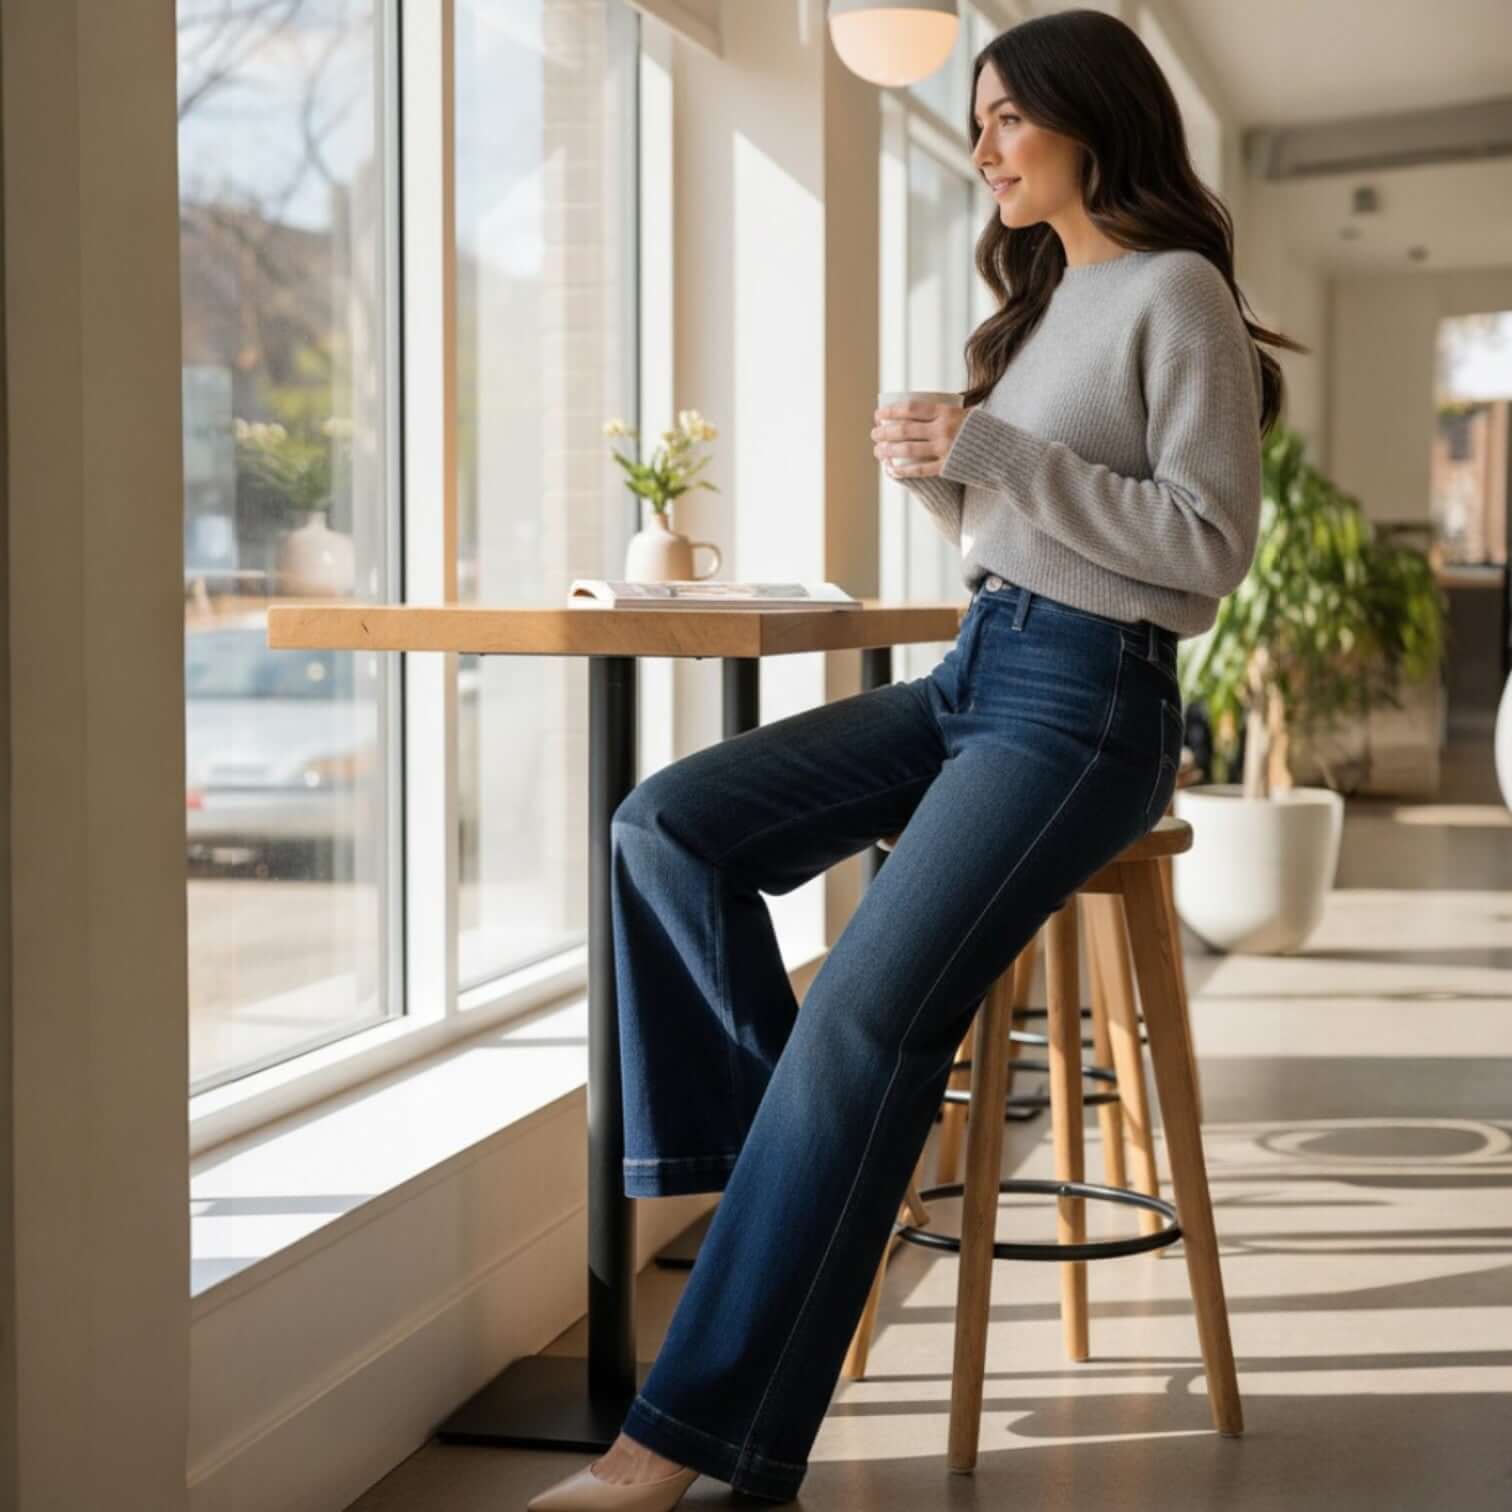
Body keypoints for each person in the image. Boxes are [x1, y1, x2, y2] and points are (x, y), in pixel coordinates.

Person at [526, 7, 1302, 1509]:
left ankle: (671, 1453)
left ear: (1096, 118)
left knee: (862, 1030)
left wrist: (993, 452)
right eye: (982, 118)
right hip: (981, 669)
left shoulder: (1177, 291)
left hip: (1091, 710)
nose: (986, 144)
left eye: (1012, 115)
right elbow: (1041, 532)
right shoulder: (1037, 310)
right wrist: (951, 484)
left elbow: (1206, 558)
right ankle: (794, 1174)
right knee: (666, 827)